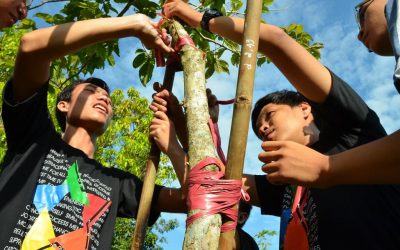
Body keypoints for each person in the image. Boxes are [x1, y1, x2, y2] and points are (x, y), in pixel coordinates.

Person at [157, 0, 400, 248]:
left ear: (305, 108)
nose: (262, 130)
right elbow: (215, 180)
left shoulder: (349, 128)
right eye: (259, 132)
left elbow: (276, 40)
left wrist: (201, 19)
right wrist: (183, 125)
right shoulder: (285, 186)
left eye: (270, 115)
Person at [0, 14, 186, 249]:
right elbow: (31, 47)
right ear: (63, 105)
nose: (103, 97)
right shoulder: (35, 141)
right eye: (91, 91)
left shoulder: (117, 183)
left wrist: (174, 143)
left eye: (108, 98)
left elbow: (191, 199)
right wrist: (134, 25)